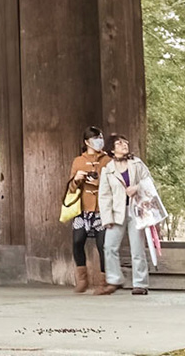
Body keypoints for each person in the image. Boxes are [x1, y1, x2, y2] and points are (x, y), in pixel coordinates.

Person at [97, 134, 155, 295]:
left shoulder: (136, 163)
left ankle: (140, 284)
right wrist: (106, 218)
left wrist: (137, 187)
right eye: (119, 143)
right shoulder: (107, 170)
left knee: (137, 249)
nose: (124, 145)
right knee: (109, 246)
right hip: (116, 212)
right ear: (112, 149)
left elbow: (149, 182)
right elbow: (104, 195)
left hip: (136, 210)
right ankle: (114, 280)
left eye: (125, 142)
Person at [67, 125, 108, 293]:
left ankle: (104, 281)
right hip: (83, 208)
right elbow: (70, 188)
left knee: (103, 245)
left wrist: (98, 181)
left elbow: (113, 183)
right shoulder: (78, 161)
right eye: (95, 138)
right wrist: (77, 179)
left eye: (100, 138)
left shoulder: (108, 160)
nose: (99, 141)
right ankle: (82, 279)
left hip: (101, 208)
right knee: (77, 242)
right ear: (86, 142)